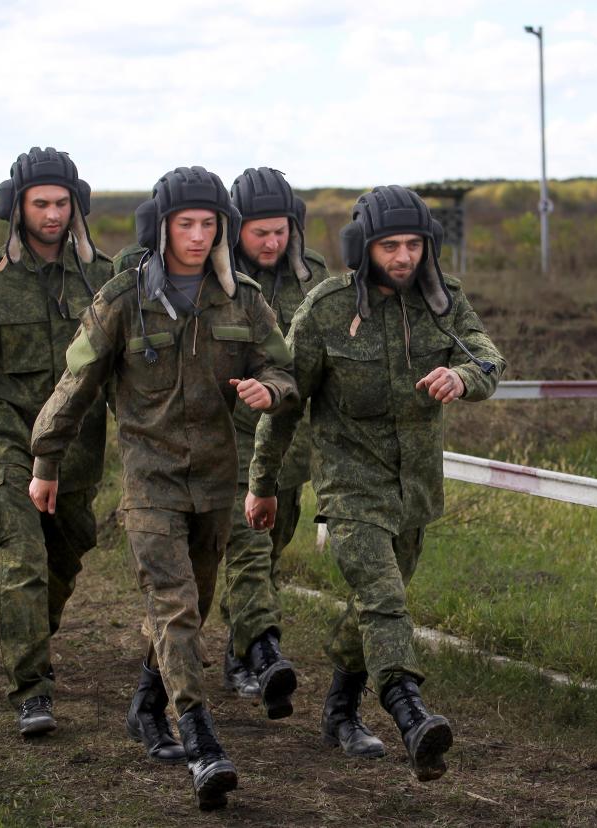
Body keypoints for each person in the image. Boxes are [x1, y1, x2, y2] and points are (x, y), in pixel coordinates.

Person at [28, 166, 297, 810]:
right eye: (187, 225)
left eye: (209, 224)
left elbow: (282, 367)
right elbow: (76, 386)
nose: (199, 237)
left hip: (215, 484)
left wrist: (272, 390)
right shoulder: (122, 299)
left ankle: (147, 701)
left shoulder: (244, 300)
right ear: (163, 227)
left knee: (193, 607)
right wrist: (45, 460)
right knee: (175, 609)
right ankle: (202, 744)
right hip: (149, 483)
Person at [246, 185, 506, 781]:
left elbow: (491, 358)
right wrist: (262, 484)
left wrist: (466, 376)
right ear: (364, 246)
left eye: (414, 244)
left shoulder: (443, 303)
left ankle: (339, 709)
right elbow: (285, 402)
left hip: (414, 489)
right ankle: (408, 713)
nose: (404, 256)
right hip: (350, 485)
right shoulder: (327, 309)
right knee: (384, 597)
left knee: (374, 603)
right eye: (390, 244)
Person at [0, 148, 114, 737]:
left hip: (77, 444)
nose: (53, 214)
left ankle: (29, 633)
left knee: (67, 552)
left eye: (62, 203)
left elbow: (121, 371)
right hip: (7, 432)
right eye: (41, 203)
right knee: (22, 557)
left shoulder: (103, 277)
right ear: (17, 208)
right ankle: (32, 689)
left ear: (76, 204)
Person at [219, 167, 329, 716]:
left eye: (280, 231)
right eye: (259, 232)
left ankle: (239, 641)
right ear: (235, 229)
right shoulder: (217, 282)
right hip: (231, 439)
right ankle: (255, 655)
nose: (271, 242)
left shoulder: (317, 281)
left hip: (290, 448)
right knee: (250, 549)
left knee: (271, 548)